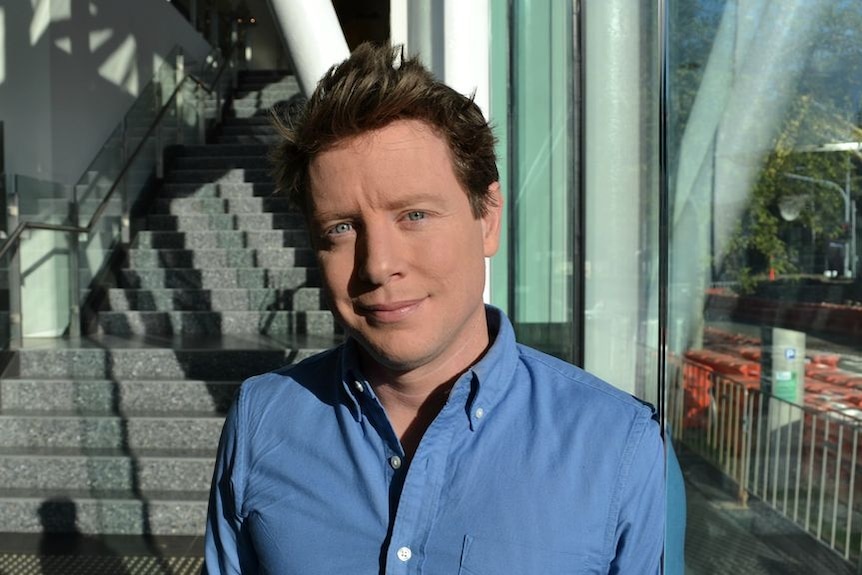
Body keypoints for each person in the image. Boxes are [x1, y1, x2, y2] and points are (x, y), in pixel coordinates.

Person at [203, 42, 666, 574]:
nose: (378, 265)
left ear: (487, 217)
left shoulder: (618, 446)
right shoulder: (262, 418)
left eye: (414, 215)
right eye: (341, 228)